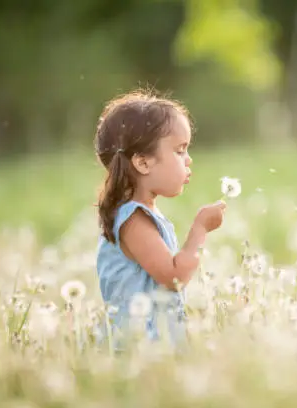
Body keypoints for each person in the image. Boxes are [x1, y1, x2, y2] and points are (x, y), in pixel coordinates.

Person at [93, 90, 226, 350]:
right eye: (179, 150)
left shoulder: (142, 215)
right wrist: (200, 228)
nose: (189, 160)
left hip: (155, 345)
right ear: (143, 163)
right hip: (138, 348)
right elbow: (174, 278)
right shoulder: (133, 222)